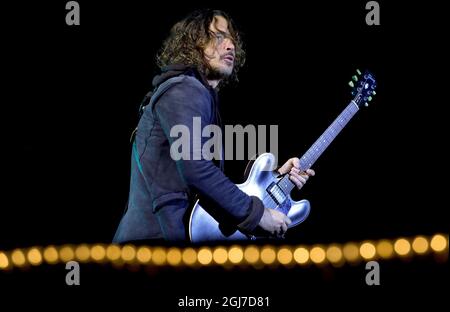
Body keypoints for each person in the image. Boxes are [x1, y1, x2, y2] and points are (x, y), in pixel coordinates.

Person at [113, 9, 315, 243]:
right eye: (218, 37)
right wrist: (257, 214)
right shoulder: (185, 89)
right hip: (153, 245)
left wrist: (275, 179)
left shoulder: (196, 93)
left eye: (231, 40)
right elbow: (196, 168)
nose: (230, 46)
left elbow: (203, 183)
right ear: (193, 44)